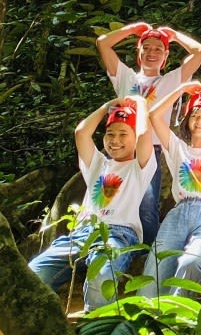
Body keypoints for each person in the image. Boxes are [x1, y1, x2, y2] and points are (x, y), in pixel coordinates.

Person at [29, 97, 156, 310]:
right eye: (110, 134)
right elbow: (81, 133)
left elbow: (145, 134)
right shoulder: (98, 164)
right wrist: (107, 106)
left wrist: (140, 104)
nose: (115, 140)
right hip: (82, 233)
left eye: (123, 134)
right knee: (33, 274)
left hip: (118, 234)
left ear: (135, 138)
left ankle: (95, 324)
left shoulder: (140, 167)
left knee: (102, 276)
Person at [96, 21, 201, 245]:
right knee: (109, 198)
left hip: (151, 151)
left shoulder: (171, 80)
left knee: (147, 205)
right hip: (119, 149)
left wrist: (174, 35)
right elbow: (103, 43)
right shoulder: (126, 77)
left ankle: (147, 255)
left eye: (158, 49)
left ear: (166, 56)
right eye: (146, 47)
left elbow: (200, 52)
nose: (152, 52)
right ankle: (105, 244)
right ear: (138, 52)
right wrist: (131, 30)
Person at [140, 84, 201, 297]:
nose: (200, 121)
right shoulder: (178, 147)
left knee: (190, 262)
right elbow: (154, 115)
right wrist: (182, 89)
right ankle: (148, 315)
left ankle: (180, 312)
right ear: (187, 119)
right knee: (156, 267)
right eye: (195, 115)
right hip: (178, 213)